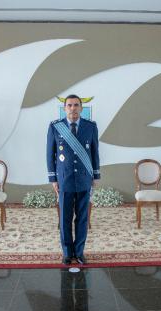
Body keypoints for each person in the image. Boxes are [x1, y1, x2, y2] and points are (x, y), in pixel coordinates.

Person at [46, 95, 100, 266]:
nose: (73, 108)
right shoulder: (55, 127)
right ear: (65, 108)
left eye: (76, 105)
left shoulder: (90, 127)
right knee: (65, 218)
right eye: (69, 105)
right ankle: (68, 253)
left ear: (81, 108)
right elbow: (50, 154)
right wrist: (53, 178)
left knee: (82, 218)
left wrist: (96, 176)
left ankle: (80, 252)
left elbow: (94, 152)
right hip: (64, 179)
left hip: (84, 178)